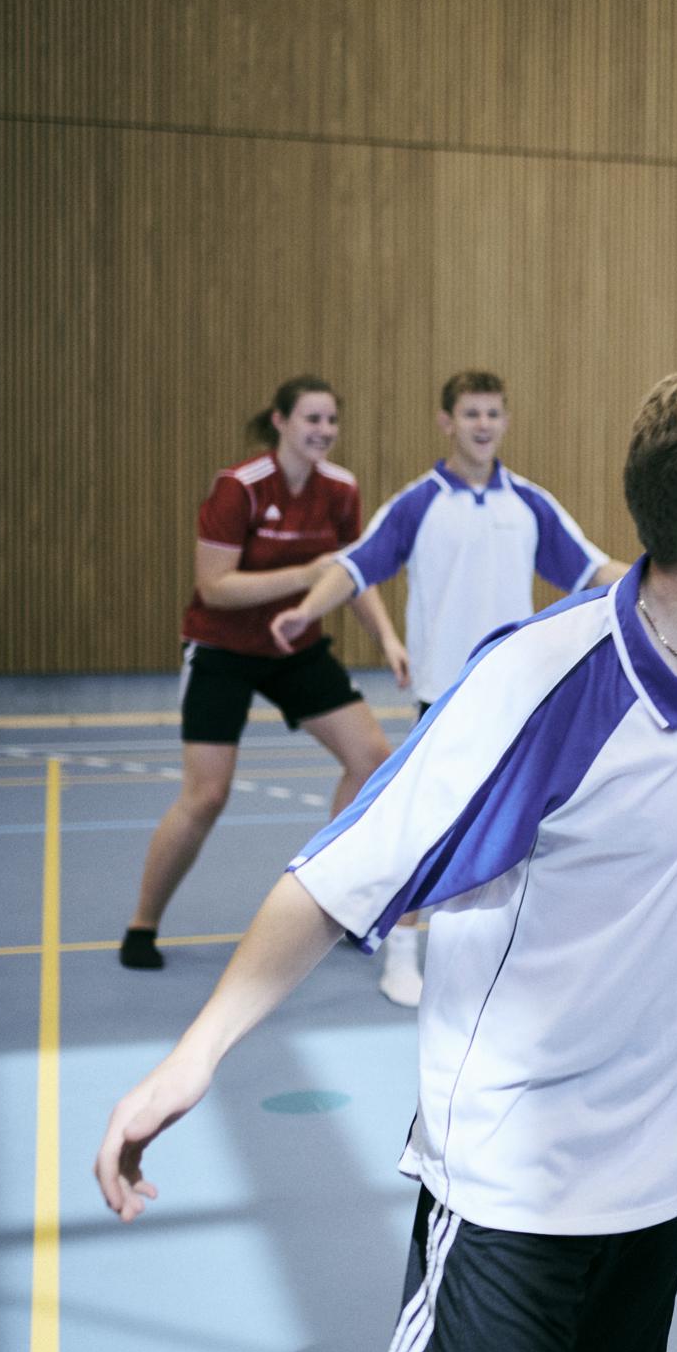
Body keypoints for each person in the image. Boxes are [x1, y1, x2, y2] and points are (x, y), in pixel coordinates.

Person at [93, 367, 677, 1352]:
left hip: (664, 1178)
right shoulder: (543, 685)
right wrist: (195, 1054)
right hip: (513, 1189)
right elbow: (336, 875)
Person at [268, 369, 631, 1004]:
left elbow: (593, 568)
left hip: (520, 694)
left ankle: (502, 947)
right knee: (429, 825)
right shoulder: (418, 503)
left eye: (493, 413)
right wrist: (307, 610)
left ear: (506, 421)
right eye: (470, 414)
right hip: (446, 695)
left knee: (524, 827)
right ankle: (401, 950)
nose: (483, 425)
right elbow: (355, 565)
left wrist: (671, 583)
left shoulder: (529, 503)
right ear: (446, 423)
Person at [121, 377, 399, 971]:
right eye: (311, 419)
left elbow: (351, 575)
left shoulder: (341, 489)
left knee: (371, 757)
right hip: (222, 649)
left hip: (294, 647)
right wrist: (306, 575)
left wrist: (389, 640)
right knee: (207, 795)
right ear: (279, 421)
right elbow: (214, 588)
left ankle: (335, 900)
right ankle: (142, 924)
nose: (323, 431)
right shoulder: (239, 488)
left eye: (331, 420)